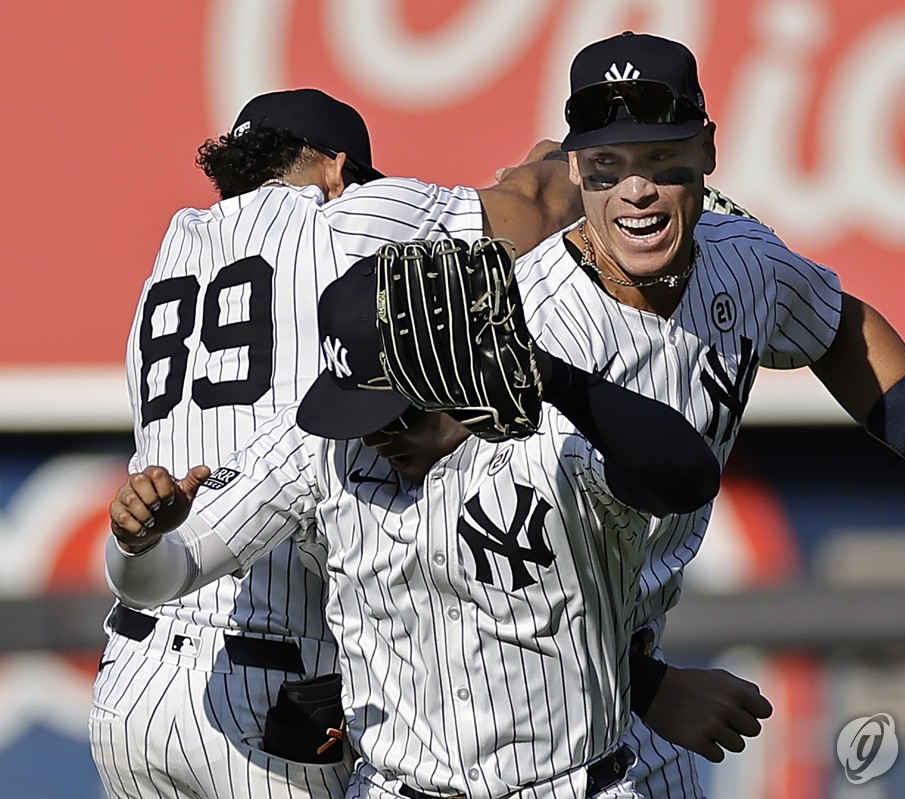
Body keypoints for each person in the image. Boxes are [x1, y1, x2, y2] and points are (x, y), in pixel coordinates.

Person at [512, 31, 905, 797]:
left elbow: (840, 327)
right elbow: (484, 586)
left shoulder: (739, 257)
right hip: (500, 715)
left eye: (660, 159)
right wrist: (650, 686)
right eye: (609, 167)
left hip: (628, 689)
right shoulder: (535, 327)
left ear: (709, 151)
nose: (637, 191)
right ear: (579, 173)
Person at [90, 87, 582, 799]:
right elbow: (537, 208)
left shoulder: (173, 248)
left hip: (132, 679)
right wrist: (562, 153)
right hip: (268, 692)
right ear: (335, 167)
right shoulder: (350, 215)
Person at [105, 253, 722, 799]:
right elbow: (167, 576)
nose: (374, 435)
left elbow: (688, 479)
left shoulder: (555, 443)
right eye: (358, 414)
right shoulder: (323, 451)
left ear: (453, 370)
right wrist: (139, 541)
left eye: (394, 414)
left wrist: (554, 376)